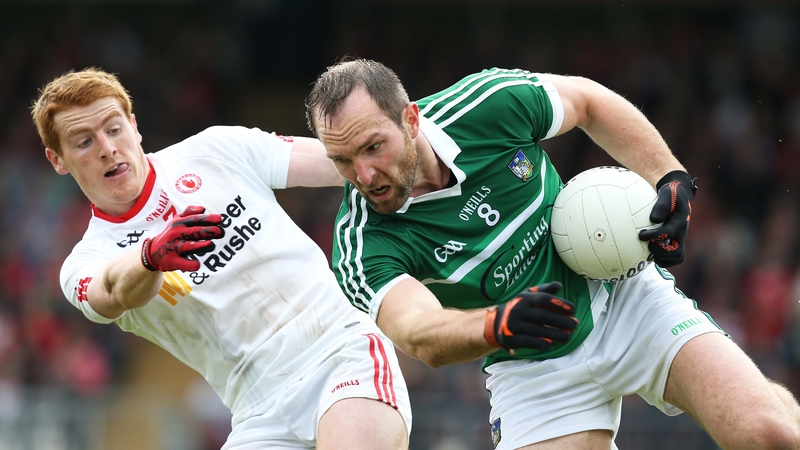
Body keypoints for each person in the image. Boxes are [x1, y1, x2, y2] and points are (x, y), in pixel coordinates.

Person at [304, 59, 800, 450]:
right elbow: (418, 331)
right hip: (531, 368)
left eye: (373, 147)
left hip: (624, 299)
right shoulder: (361, 241)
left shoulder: (486, 105)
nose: (363, 175)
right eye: (342, 160)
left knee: (769, 435)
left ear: (411, 119)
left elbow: (588, 102)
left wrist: (669, 177)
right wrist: (496, 325)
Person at [31, 67, 411, 450]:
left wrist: (413, 134)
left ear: (133, 126)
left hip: (339, 355)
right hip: (257, 415)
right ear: (57, 159)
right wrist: (150, 258)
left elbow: (342, 162)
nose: (107, 148)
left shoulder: (215, 150)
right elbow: (111, 292)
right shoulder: (85, 262)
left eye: (114, 129)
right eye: (84, 141)